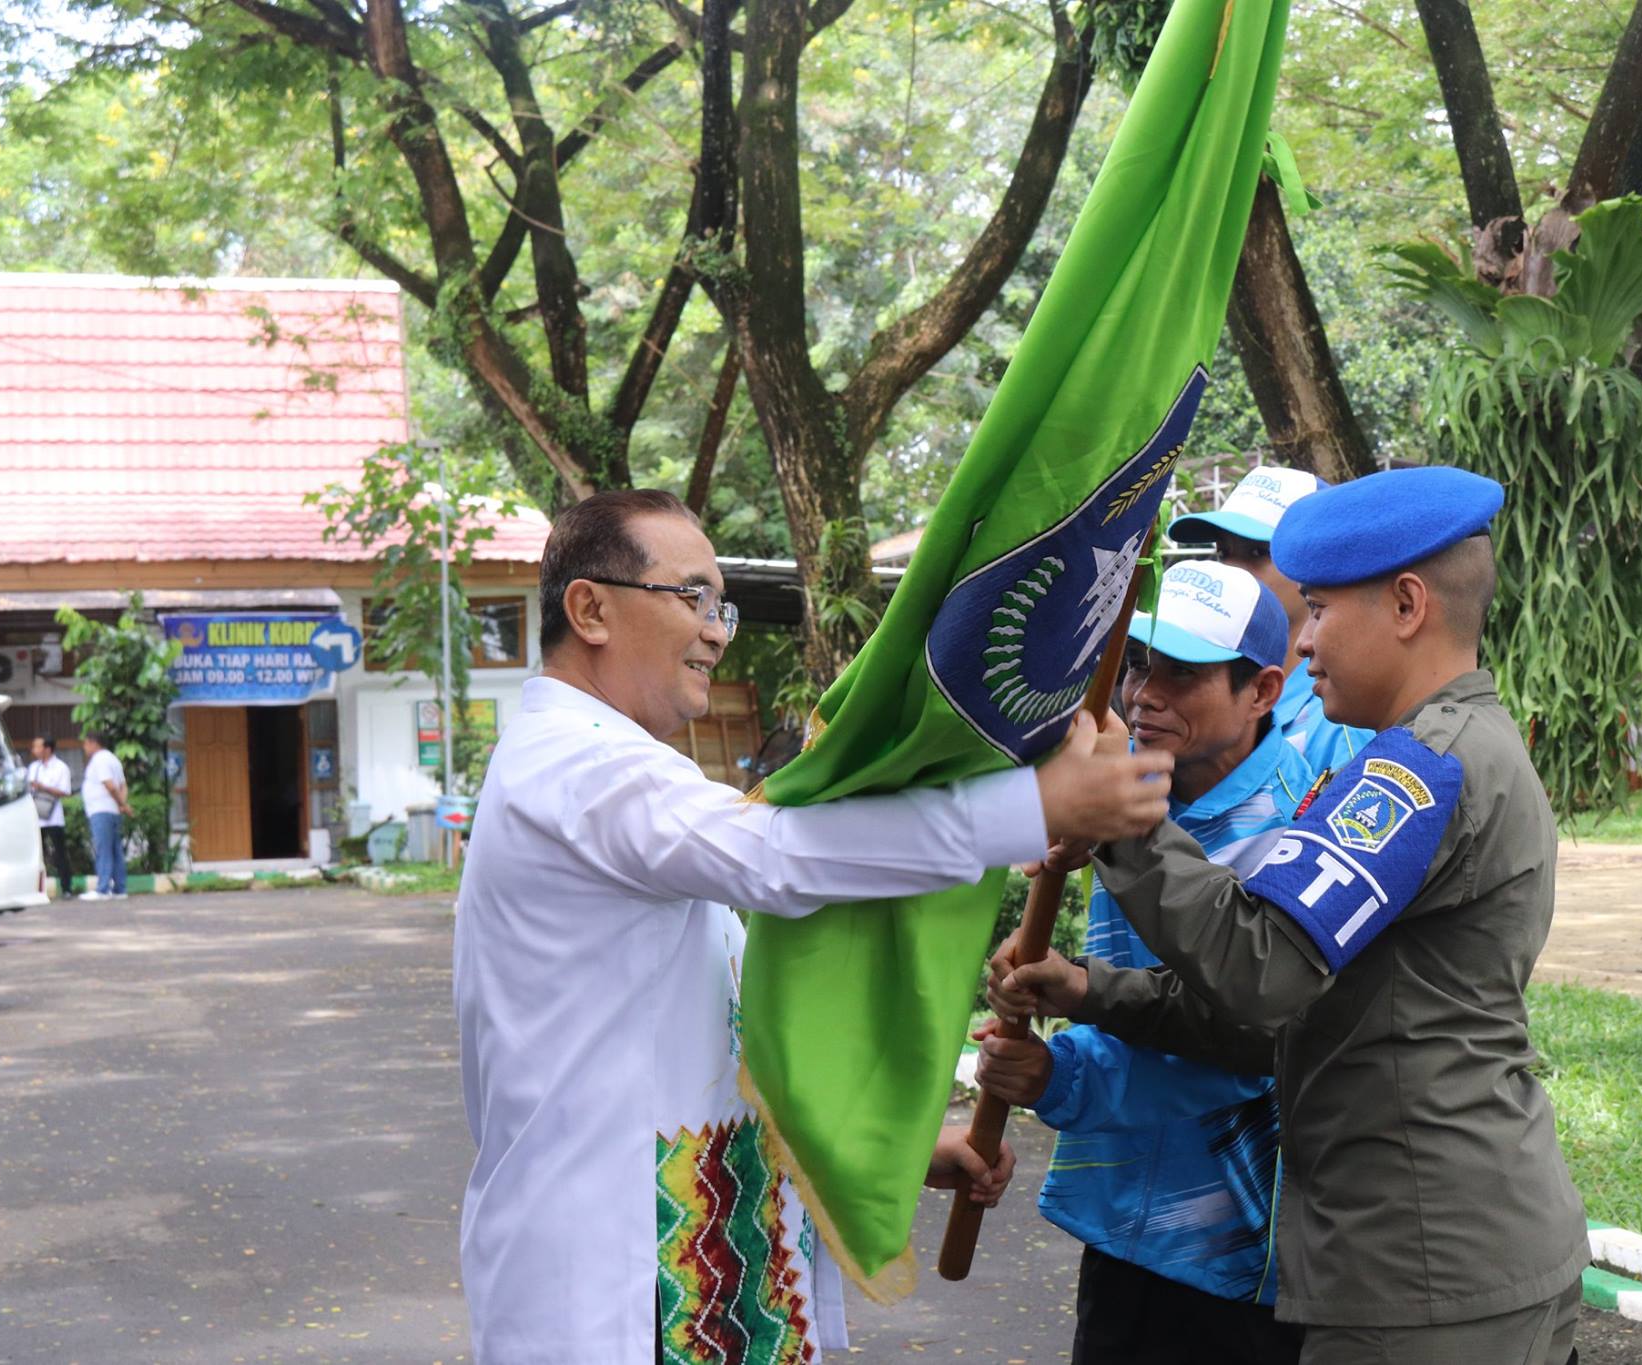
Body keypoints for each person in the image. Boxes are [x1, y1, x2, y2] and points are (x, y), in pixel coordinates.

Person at [453, 488, 1176, 1365]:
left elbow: (720, 1051)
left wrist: (902, 1153)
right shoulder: (574, 766)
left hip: (700, 1265)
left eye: (721, 604)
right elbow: (779, 858)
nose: (718, 631)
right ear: (590, 607)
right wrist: (1028, 806)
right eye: (694, 597)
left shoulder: (617, 766)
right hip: (614, 1282)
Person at [994, 467, 1588, 1365]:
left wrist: (1120, 814)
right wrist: (1090, 990)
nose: (1306, 642)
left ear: (1405, 604)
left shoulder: (1418, 771)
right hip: (1448, 1253)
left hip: (1421, 1271)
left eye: (1318, 609)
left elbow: (1258, 971)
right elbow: (1289, 1012)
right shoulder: (1461, 747)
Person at [973, 560, 1312, 1364]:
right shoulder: (1133, 797)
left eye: (1184, 674)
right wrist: (1046, 987)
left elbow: (1250, 1043)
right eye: (1139, 663)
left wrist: (1061, 1074)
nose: (1144, 694)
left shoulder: (1294, 826)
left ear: (1262, 690)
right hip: (1119, 1225)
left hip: (1233, 1254)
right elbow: (1120, 992)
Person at [1168, 466, 1369, 776]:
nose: (1231, 571)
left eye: (1257, 552)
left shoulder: (1341, 722)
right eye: (1224, 552)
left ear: (1319, 569)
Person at [79, 731, 132, 901]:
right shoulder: (113, 759)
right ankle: (120, 889)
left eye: (86, 743)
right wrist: (121, 804)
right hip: (112, 811)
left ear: (94, 743)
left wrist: (122, 804)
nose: (84, 747)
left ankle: (102, 889)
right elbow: (123, 785)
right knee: (115, 850)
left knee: (103, 849)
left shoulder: (100, 759)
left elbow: (109, 785)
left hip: (101, 810)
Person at [26, 735, 73, 899]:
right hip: (36, 817)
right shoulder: (33, 767)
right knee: (37, 855)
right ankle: (37, 890)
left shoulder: (61, 767)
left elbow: (65, 791)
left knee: (60, 853)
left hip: (54, 817)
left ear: (47, 749)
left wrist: (43, 787)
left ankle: (67, 888)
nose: (34, 750)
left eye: (37, 746)